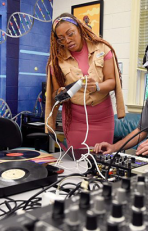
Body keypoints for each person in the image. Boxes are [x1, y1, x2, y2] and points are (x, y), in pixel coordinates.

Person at [45, 13, 125, 156]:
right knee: (78, 161)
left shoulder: (102, 48)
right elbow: (54, 93)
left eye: (70, 34)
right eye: (61, 38)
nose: (67, 40)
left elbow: (112, 81)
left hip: (102, 119)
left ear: (80, 28)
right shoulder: (57, 61)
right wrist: (61, 93)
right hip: (75, 121)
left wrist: (98, 86)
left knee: (101, 160)